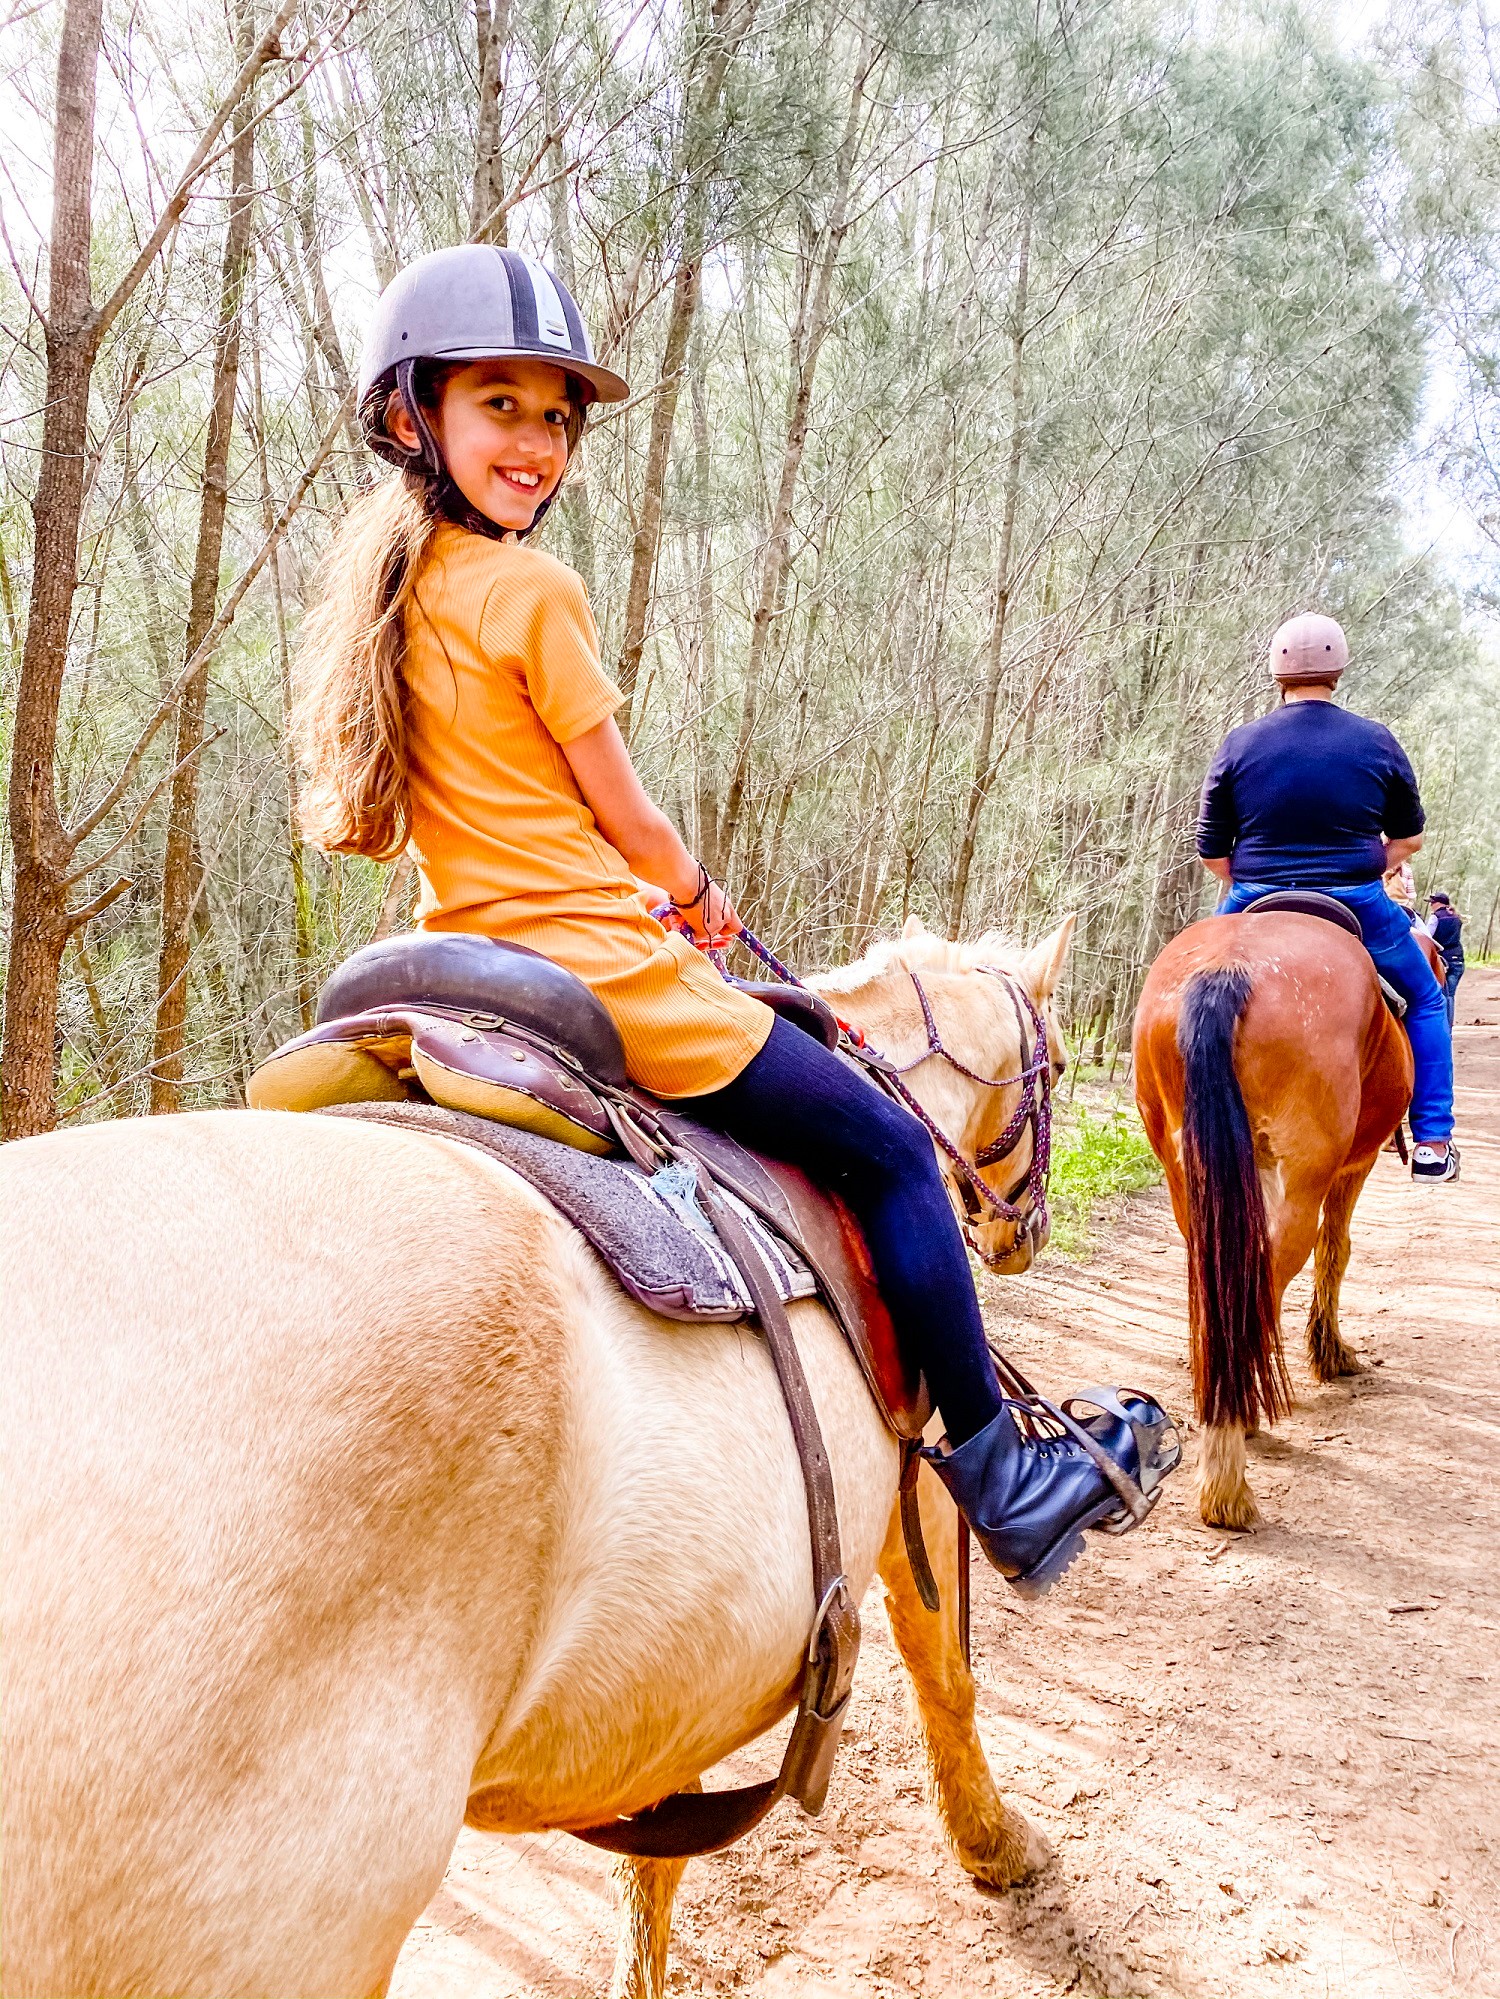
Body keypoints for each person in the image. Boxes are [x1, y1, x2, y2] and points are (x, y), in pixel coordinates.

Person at [292, 243, 1174, 1597]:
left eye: (554, 416)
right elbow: (625, 816)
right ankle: (1007, 1475)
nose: (534, 442)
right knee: (885, 1142)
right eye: (499, 405)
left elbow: (493, 812)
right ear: (416, 414)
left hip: (468, 967)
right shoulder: (535, 590)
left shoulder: (398, 598)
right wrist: (696, 894)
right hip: (610, 971)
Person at [1196, 612, 1458, 1184]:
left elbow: (1212, 853)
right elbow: (1409, 836)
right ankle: (1433, 1139)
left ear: (1277, 674)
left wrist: (1257, 874)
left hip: (1253, 896)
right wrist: (1368, 864)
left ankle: (1174, 1121)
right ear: (1337, 670)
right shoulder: (1375, 740)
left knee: (1187, 985)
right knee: (1426, 997)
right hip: (1355, 900)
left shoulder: (1240, 743)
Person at [1428, 891, 1465, 1030]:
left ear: (1438, 903)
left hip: (1443, 960)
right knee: (1451, 995)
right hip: (1458, 959)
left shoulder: (1435, 917)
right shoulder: (1456, 917)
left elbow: (1427, 937)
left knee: (1442, 995)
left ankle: (1442, 1027)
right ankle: (1448, 1027)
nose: (1431, 905)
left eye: (1432, 902)